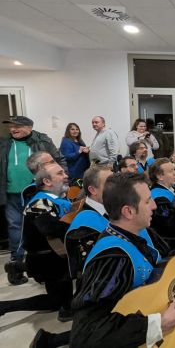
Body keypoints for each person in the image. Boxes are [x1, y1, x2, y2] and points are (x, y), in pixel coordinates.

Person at [69, 173, 175, 348]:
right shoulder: (112, 257)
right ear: (128, 211)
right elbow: (85, 334)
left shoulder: (141, 231)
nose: (154, 206)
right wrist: (158, 324)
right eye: (147, 201)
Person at [33, 165, 113, 348]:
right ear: (93, 190)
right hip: (54, 263)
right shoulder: (84, 218)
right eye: (110, 182)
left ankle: (51, 340)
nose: (66, 175)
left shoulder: (99, 208)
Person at [0, 163, 72, 320]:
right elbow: (50, 229)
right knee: (57, 302)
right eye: (60, 173)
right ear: (47, 182)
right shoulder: (39, 203)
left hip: (51, 255)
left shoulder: (55, 199)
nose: (66, 175)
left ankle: (19, 266)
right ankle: (5, 306)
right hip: (47, 260)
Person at [1, 115, 65, 285]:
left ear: (29, 127)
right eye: (11, 126)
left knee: (38, 231)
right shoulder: (5, 143)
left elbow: (59, 160)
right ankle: (16, 263)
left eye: (17, 126)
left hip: (35, 191)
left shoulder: (43, 140)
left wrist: (63, 179)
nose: (13, 129)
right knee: (15, 227)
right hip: (12, 193)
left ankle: (40, 267)